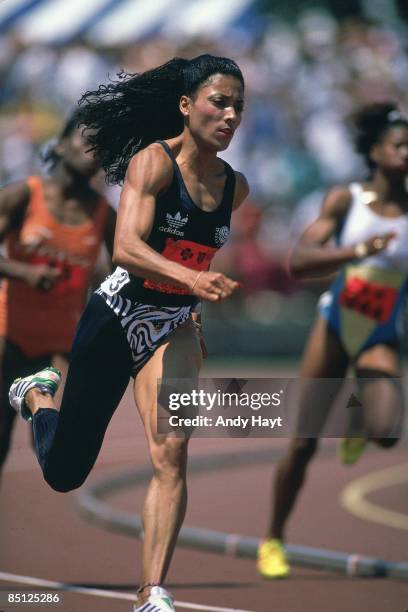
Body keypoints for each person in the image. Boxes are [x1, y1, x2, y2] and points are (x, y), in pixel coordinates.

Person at [9, 54, 248, 612]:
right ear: (187, 106)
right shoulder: (153, 163)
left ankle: (151, 592)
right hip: (115, 318)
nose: (231, 114)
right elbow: (127, 250)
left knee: (172, 450)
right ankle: (37, 395)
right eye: (220, 101)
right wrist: (193, 278)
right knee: (66, 472)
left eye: (239, 105)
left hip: (172, 325)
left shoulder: (235, 189)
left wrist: (193, 304)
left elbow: (196, 256)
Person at [257, 101, 408, 579]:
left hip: (382, 328)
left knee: (387, 433)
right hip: (337, 322)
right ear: (375, 151)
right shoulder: (347, 200)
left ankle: (359, 420)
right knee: (302, 444)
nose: (407, 154)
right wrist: (359, 249)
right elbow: (300, 261)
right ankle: (273, 539)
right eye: (400, 146)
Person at [0, 110, 115, 482]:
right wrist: (25, 272)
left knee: (57, 452)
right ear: (62, 143)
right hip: (8, 334)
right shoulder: (24, 196)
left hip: (61, 345)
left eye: (102, 146)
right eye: (87, 139)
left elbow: (124, 273)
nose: (93, 150)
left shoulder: (104, 215)